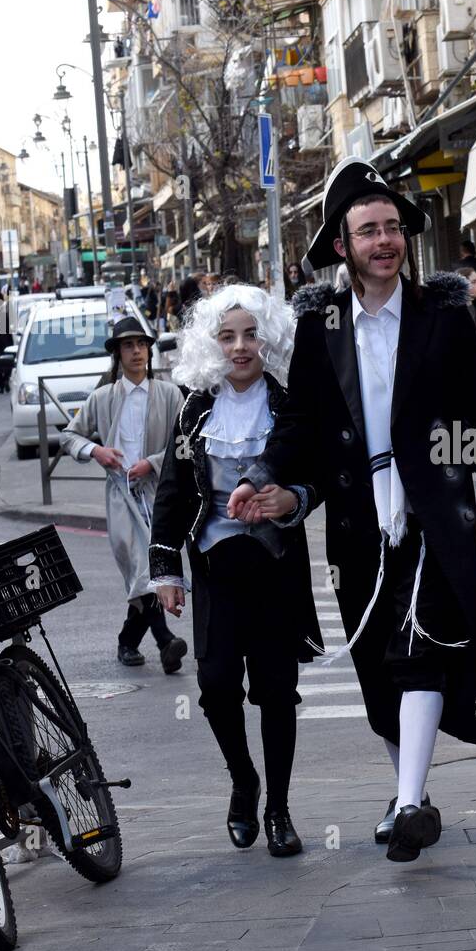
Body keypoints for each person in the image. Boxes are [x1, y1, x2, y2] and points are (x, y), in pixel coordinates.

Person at [229, 157, 476, 862]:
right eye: (369, 231)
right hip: (360, 520)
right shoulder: (319, 325)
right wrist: (270, 477)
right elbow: (298, 421)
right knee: (378, 668)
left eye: (393, 228)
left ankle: (414, 802)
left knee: (422, 648)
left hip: (433, 510)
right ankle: (406, 792)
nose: (385, 241)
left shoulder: (444, 314)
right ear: (343, 244)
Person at [149, 286, 322, 856]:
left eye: (251, 334)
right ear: (212, 344)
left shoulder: (290, 401)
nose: (241, 346)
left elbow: (320, 475)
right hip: (216, 564)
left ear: (267, 337)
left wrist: (292, 498)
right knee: (217, 686)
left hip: (275, 564)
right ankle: (243, 781)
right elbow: (173, 491)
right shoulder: (195, 407)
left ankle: (279, 808)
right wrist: (166, 570)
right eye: (228, 336)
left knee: (276, 690)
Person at [62, 316, 187, 674]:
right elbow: (70, 436)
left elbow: (184, 443)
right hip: (120, 495)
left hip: (159, 493)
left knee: (146, 570)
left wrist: (152, 462)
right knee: (140, 565)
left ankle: (128, 641)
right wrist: (96, 451)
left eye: (142, 344)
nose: (136, 352)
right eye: (128, 346)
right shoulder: (102, 397)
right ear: (117, 353)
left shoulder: (169, 394)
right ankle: (166, 642)